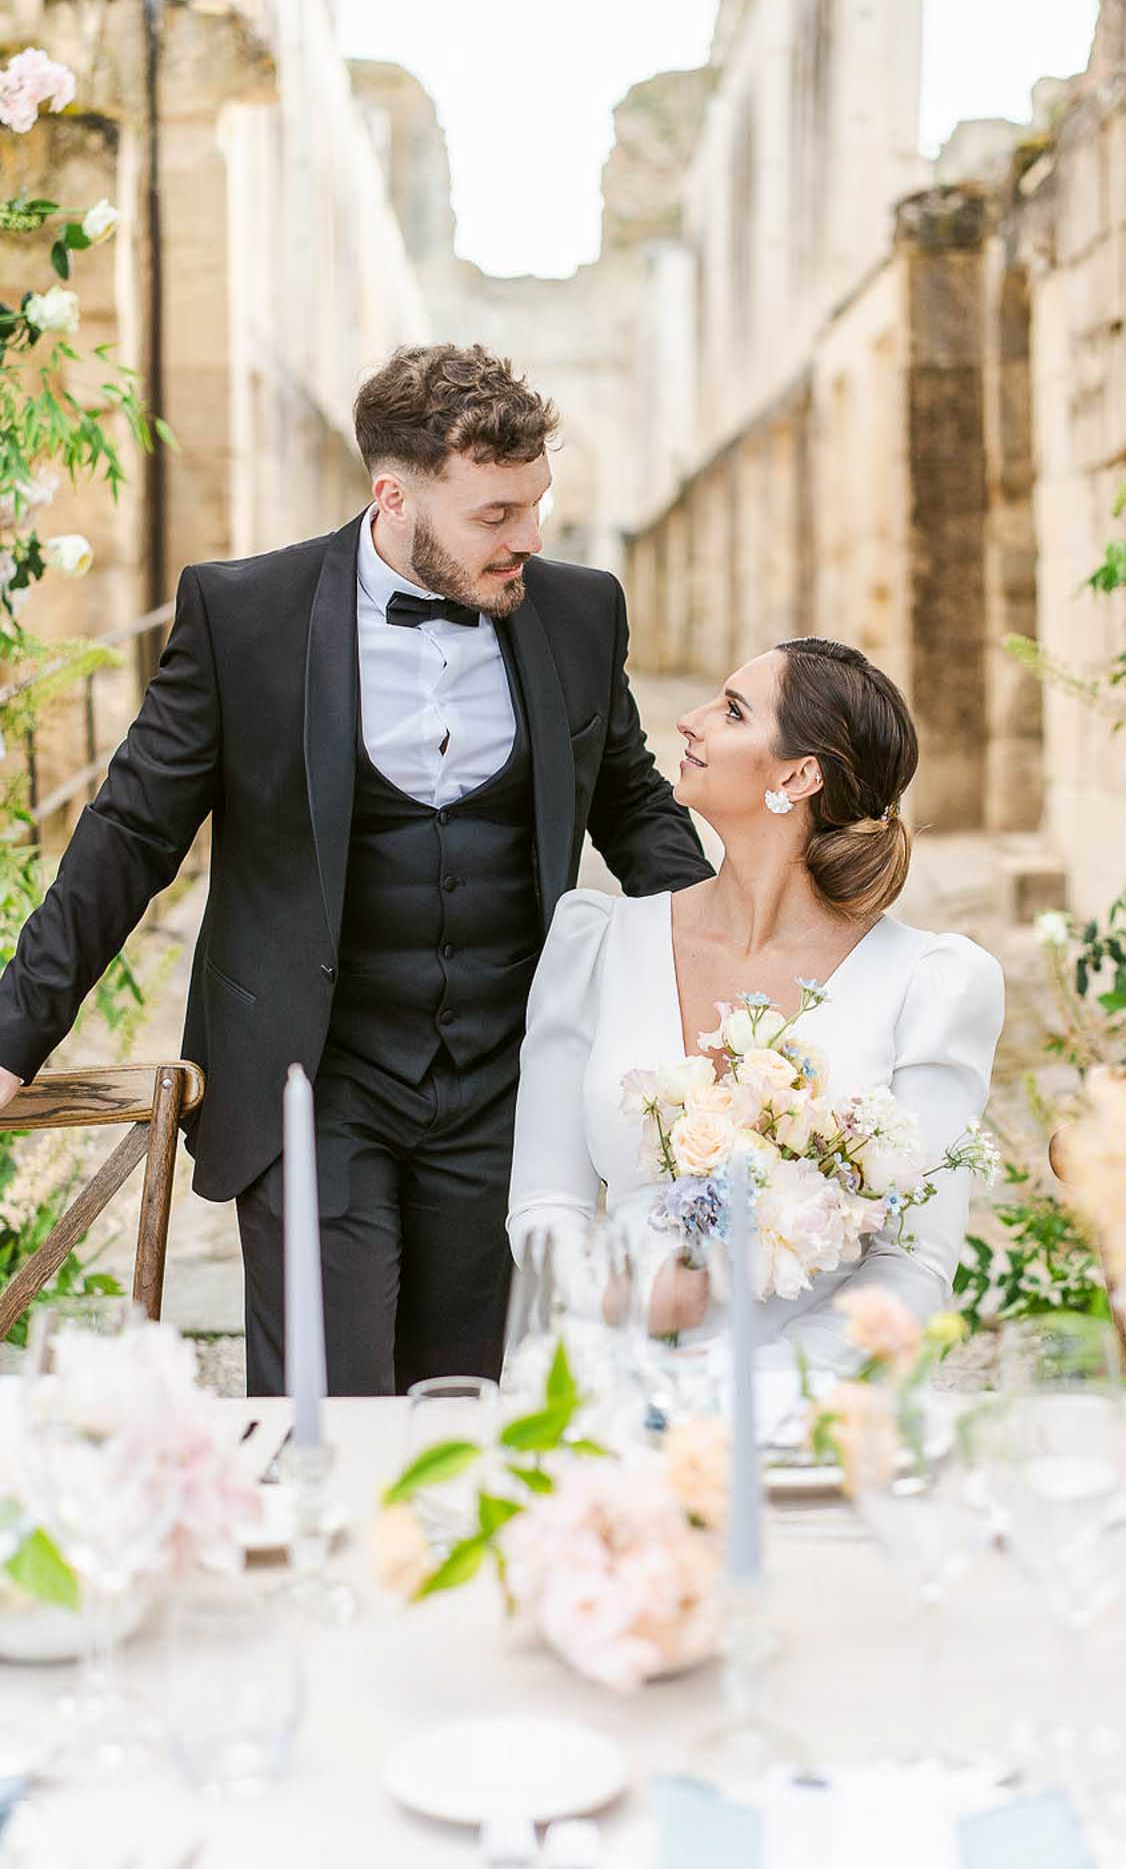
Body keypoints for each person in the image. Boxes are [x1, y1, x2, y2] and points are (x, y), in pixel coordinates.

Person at [0, 344, 709, 1393]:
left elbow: (638, 812)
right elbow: (129, 834)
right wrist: (14, 1034)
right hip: (312, 1075)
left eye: (536, 505)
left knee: (464, 1405)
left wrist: (750, 988)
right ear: (395, 495)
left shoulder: (579, 610)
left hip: (503, 1083)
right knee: (326, 1413)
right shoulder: (245, 615)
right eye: (495, 515)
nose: (530, 538)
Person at [507, 637, 1004, 1368]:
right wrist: (625, 1299)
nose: (690, 720)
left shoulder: (930, 984)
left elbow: (913, 1269)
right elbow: (546, 1212)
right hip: (612, 1379)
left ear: (798, 775)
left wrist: (754, 1390)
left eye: (732, 711)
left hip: (813, 1413)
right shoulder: (597, 944)